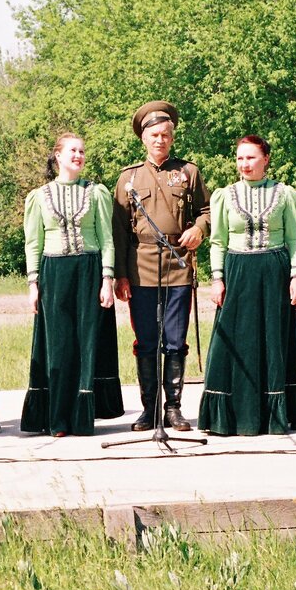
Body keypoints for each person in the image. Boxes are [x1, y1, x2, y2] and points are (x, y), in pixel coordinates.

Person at [198, 136, 296, 435]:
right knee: (234, 340)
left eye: (250, 158)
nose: (244, 164)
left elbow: (294, 237)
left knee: (273, 339)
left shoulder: (284, 194)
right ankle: (230, 415)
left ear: (266, 159)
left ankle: (272, 415)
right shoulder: (224, 195)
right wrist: (217, 278)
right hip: (238, 271)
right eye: (240, 159)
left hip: (274, 270)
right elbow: (218, 240)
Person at [112, 101, 211, 432]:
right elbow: (120, 232)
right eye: (154, 135)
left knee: (175, 340)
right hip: (141, 269)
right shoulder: (129, 177)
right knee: (147, 341)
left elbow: (206, 211)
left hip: (178, 267)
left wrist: (199, 228)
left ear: (172, 136)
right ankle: (149, 409)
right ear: (143, 138)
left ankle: (173, 408)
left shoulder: (188, 172)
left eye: (166, 134)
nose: (160, 140)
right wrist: (121, 275)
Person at [21, 134, 123, 436]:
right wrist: (33, 283)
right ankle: (57, 418)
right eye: (72, 151)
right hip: (55, 272)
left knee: (85, 342)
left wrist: (107, 278)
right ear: (58, 156)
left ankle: (82, 417)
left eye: (82, 151)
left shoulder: (96, 193)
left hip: (89, 270)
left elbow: (107, 238)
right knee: (59, 344)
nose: (78, 155)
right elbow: (32, 243)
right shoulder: (39, 196)